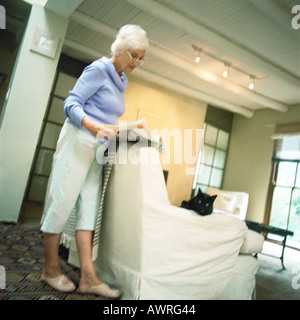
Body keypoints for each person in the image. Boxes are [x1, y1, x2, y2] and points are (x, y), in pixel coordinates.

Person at [40, 25, 148, 298]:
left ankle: (88, 277)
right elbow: (72, 104)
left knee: (88, 209)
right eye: (133, 55)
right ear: (120, 49)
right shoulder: (99, 69)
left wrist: (133, 126)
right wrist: (91, 126)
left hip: (98, 150)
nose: (136, 62)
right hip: (78, 141)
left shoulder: (122, 78)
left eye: (141, 58)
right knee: (62, 202)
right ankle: (50, 269)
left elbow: (107, 118)